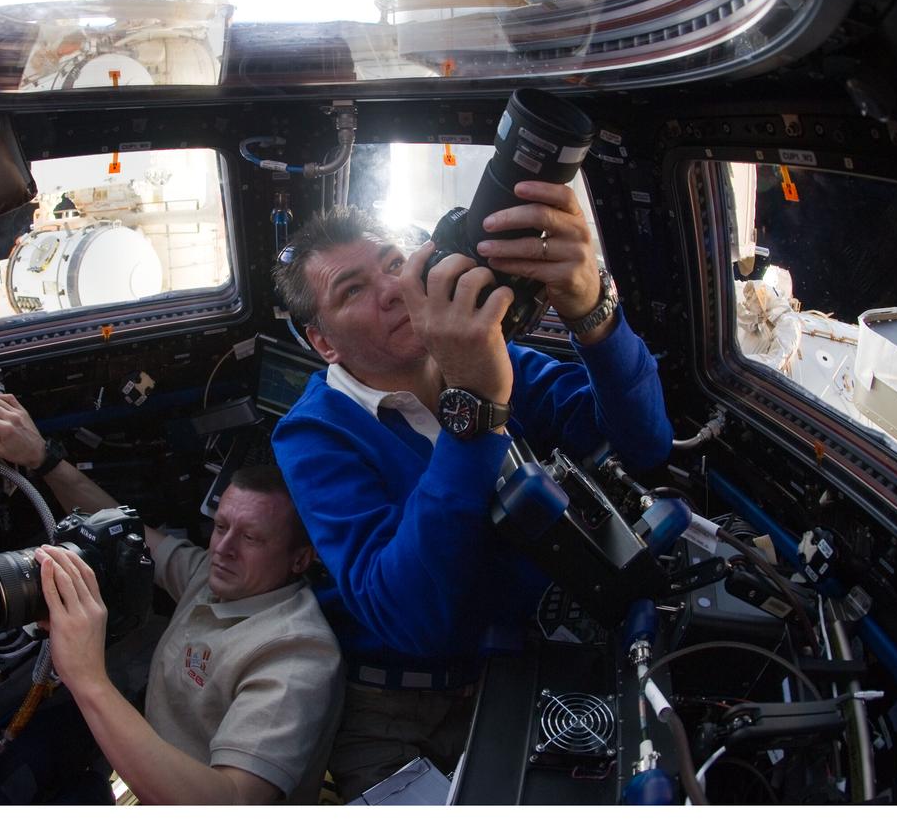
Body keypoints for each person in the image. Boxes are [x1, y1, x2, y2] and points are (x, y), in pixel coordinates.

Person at [270, 181, 673, 799]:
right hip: (397, 710)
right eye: (352, 290)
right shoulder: (313, 433)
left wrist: (591, 311)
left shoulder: (493, 352)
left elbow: (643, 444)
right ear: (322, 341)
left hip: (525, 662)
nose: (389, 292)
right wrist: (477, 409)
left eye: (394, 266)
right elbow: (409, 619)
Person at [0, 395, 343, 805]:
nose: (224, 548)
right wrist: (45, 459)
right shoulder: (216, 575)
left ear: (300, 559)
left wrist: (87, 676)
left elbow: (230, 805)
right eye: (220, 526)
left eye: (251, 537)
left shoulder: (297, 657)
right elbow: (126, 530)